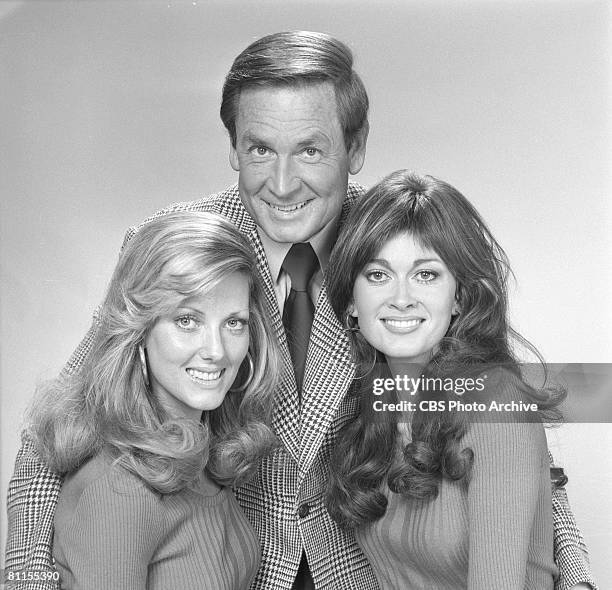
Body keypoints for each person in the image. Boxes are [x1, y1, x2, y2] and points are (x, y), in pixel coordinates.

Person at [5, 31, 595, 590]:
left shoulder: (392, 243)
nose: (283, 184)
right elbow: (56, 434)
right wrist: (27, 580)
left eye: (310, 149)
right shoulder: (180, 247)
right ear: (233, 148)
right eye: (260, 148)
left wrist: (573, 576)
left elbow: (501, 423)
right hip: (231, 566)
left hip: (367, 569)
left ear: (356, 147)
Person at [324, 170, 582, 588]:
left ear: (460, 296)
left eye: (426, 274)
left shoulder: (496, 400)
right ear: (352, 301)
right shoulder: (370, 407)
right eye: (378, 275)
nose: (402, 297)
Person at [20, 211, 281, 589]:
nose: (216, 350)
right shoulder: (120, 491)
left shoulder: (200, 453)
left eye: (233, 323)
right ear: (139, 330)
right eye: (187, 320)